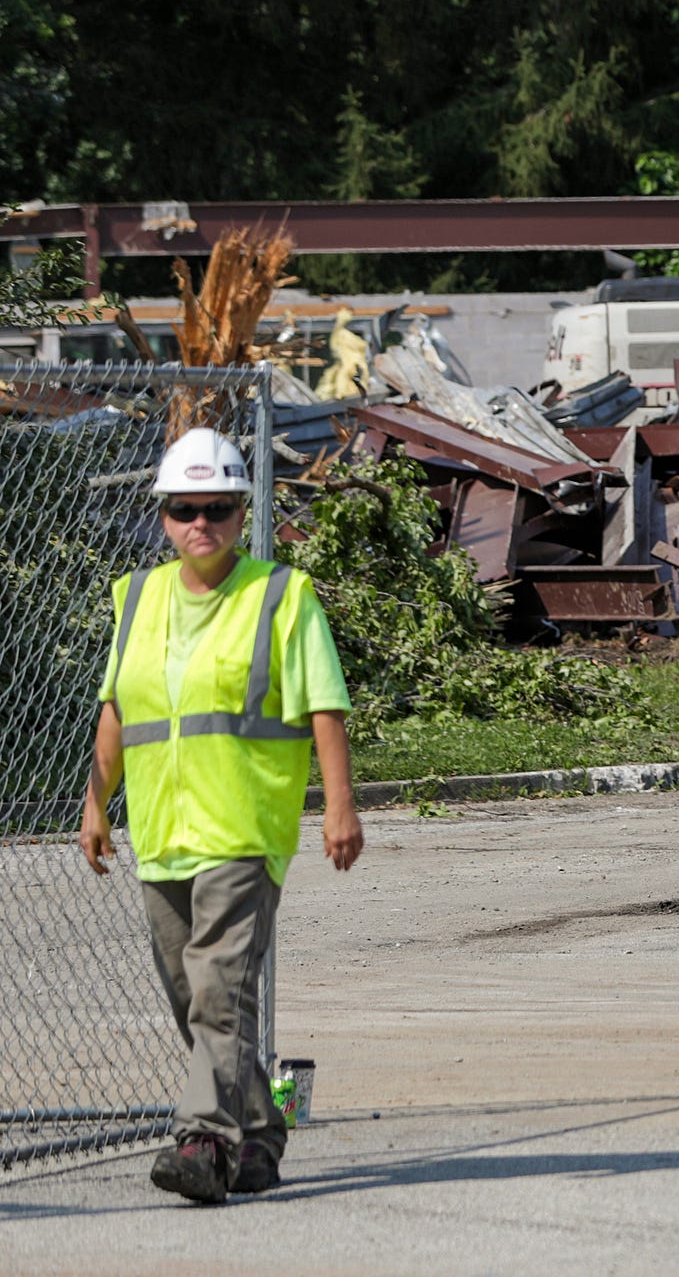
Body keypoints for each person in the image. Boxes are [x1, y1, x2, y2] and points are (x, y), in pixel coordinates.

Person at [78, 427, 363, 1204]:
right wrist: (95, 801)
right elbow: (116, 707)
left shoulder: (281, 595)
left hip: (243, 829)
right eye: (183, 509)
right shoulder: (137, 597)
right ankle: (261, 1135)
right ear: (162, 516)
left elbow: (325, 707)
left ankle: (202, 1142)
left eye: (217, 508)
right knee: (194, 997)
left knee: (216, 989)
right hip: (163, 834)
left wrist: (339, 807)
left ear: (242, 513)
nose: (199, 523)